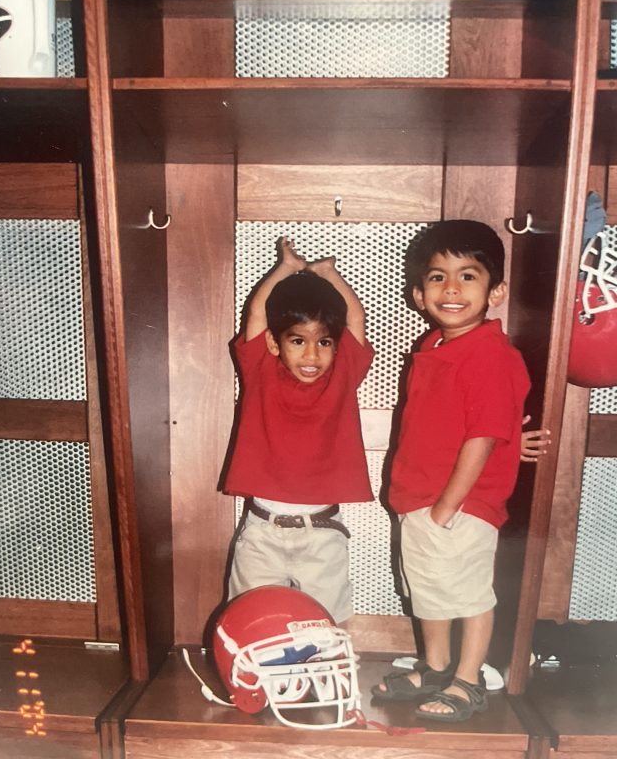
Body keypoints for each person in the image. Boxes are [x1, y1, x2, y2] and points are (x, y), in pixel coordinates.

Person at [372, 220, 532, 722]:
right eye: (438, 278)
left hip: (458, 505)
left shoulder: (487, 354)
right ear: (419, 293)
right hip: (419, 500)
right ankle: (436, 665)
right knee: (429, 589)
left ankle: (468, 679)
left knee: (466, 592)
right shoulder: (437, 349)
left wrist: (447, 507)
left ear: (496, 290)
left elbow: (481, 436)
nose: (453, 289)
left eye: (468, 276)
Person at [222, 236, 374, 624]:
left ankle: (328, 683)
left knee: (327, 624)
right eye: (298, 341)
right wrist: (284, 270)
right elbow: (256, 317)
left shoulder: (342, 376)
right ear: (275, 344)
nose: (312, 355)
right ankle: (253, 684)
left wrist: (330, 275)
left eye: (324, 342)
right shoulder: (261, 374)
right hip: (261, 531)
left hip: (321, 532)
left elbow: (355, 321)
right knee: (251, 620)